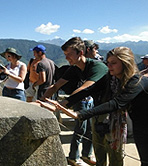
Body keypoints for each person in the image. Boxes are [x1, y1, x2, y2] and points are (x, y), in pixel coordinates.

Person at [39, 47, 148, 166]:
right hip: (140, 125)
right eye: (108, 62)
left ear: (125, 63)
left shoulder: (136, 81)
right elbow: (89, 90)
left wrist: (80, 114)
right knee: (147, 162)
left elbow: (116, 103)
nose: (109, 66)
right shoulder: (112, 78)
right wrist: (62, 104)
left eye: (113, 63)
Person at [41, 37, 108, 166]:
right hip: (96, 107)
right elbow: (56, 86)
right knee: (93, 137)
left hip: (110, 109)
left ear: (80, 53)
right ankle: (85, 157)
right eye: (65, 55)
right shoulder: (75, 68)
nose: (66, 58)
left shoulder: (97, 66)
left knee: (105, 145)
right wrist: (42, 101)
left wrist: (61, 104)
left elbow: (85, 88)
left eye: (69, 55)